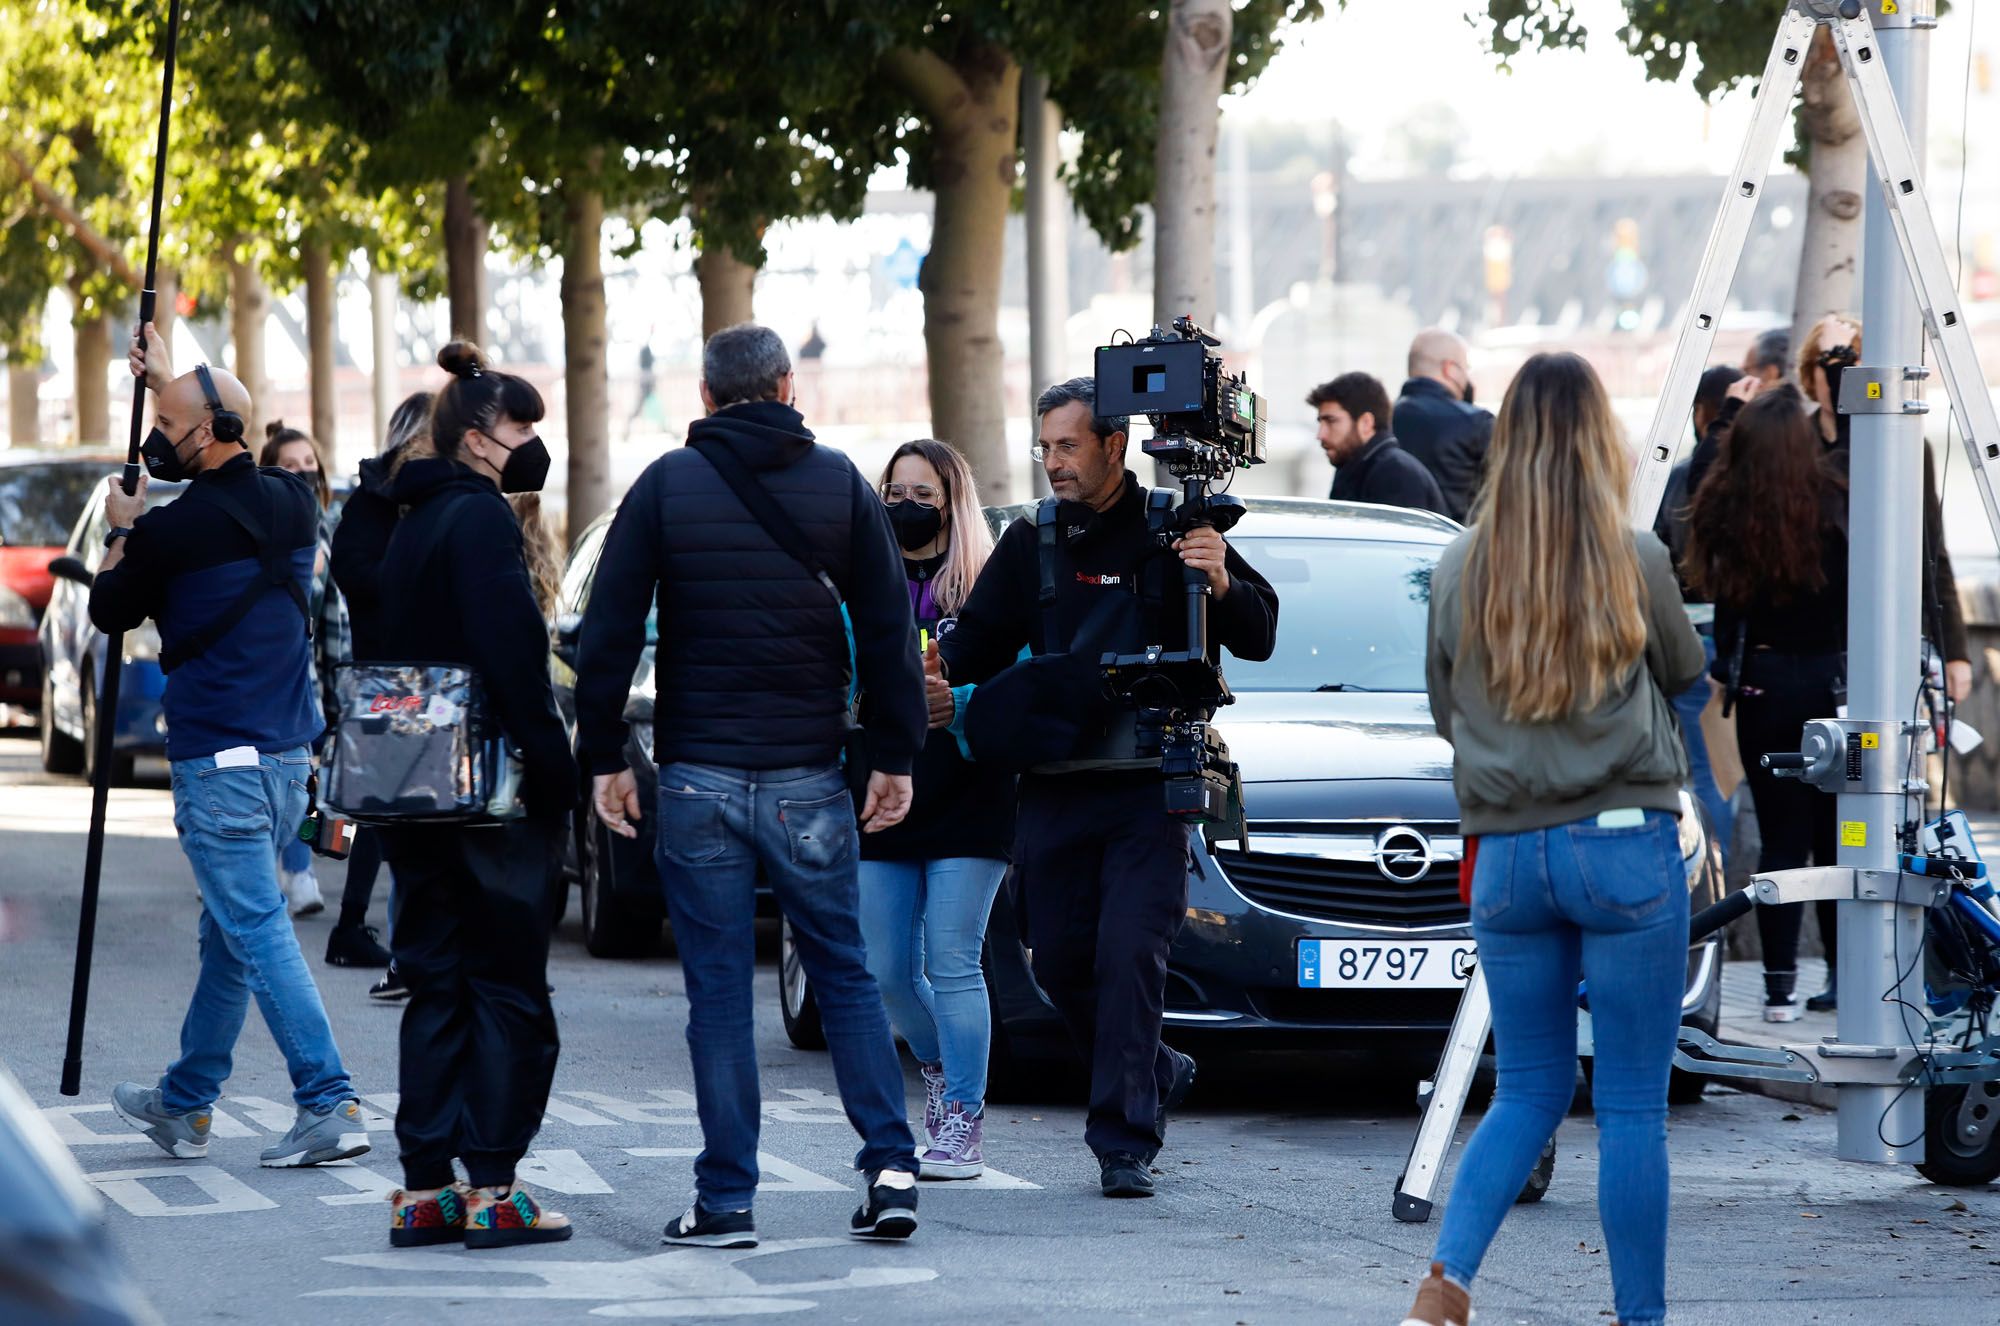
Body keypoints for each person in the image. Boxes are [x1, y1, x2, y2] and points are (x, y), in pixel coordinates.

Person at [577, 322, 928, 1248]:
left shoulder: (664, 485)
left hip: (696, 780)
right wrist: (895, 755)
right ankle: (891, 1168)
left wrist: (605, 754)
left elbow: (606, 629)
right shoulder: (842, 483)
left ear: (704, 397)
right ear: (785, 386)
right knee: (846, 974)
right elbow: (890, 630)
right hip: (809, 778)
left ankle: (727, 1199)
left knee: (720, 993)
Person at [1404, 351, 1704, 1326]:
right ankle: (1639, 1320)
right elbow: (1686, 670)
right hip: (1620, 841)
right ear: (1593, 440)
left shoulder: (1456, 565)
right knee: (1627, 1108)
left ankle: (1440, 1289)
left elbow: (1447, 713)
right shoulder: (1631, 556)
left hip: (1506, 855)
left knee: (1524, 1090)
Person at [937, 377, 1279, 1198]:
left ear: (1115, 446)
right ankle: (1154, 1066)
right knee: (1058, 958)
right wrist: (925, 672)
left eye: (1068, 446)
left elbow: (1261, 633)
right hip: (1055, 782)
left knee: (1131, 954)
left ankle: (1123, 1142)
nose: (1053, 463)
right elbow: (974, 646)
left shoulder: (1179, 527)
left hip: (1147, 785)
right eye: (1045, 447)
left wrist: (1222, 579)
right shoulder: (1034, 541)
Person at [96, 321, 370, 1171]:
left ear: (209, 433)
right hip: (290, 763)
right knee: (231, 936)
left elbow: (111, 609)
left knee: (256, 931)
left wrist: (120, 528)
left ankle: (327, 1101)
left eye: (171, 429)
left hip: (219, 767)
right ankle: (186, 1103)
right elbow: (222, 450)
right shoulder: (295, 503)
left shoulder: (169, 533)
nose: (159, 443)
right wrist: (178, 384)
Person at [370, 341, 578, 1248]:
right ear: (473, 439)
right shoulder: (482, 523)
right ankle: (495, 1187)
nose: (531, 443)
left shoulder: (402, 519)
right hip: (491, 790)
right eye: (517, 427)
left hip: (409, 783)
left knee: (437, 981)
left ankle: (425, 1191)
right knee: (508, 990)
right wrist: (557, 768)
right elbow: (512, 660)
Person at [1795, 312, 1972, 1010]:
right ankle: (1842, 970)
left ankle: (1905, 966)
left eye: (1860, 354)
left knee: (1893, 811)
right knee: (1823, 820)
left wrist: (1953, 645)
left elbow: (1932, 547)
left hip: (1890, 647)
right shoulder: (1796, 447)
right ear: (1813, 371)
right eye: (1836, 356)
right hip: (1815, 646)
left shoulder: (1902, 440)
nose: (1847, 368)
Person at [856, 439, 1013, 1180]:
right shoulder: (865, 581)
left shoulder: (990, 584)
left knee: (952, 960)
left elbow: (1023, 686)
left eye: (924, 493)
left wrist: (965, 703)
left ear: (954, 502)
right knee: (887, 968)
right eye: (895, 490)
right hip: (883, 785)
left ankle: (963, 1121)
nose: (906, 506)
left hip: (970, 788)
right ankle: (942, 1071)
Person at [1684, 389, 1846, 1023]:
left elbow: (1698, 489)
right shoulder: (1834, 504)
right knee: (1841, 839)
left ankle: (1777, 989)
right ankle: (1840, 975)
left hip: (1761, 686)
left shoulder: (1726, 510)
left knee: (1780, 837)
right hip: (1834, 688)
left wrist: (1724, 417)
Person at [328, 390, 434, 997]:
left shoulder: (448, 496)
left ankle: (385, 941)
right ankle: (358, 928)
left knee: (397, 817)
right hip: (385, 683)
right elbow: (353, 575)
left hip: (432, 684)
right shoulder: (372, 501)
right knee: (373, 812)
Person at [1652, 364, 1757, 868]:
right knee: (1721, 773)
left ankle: (1705, 877)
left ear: (1700, 416)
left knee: (1697, 768)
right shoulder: (1752, 486)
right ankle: (1721, 879)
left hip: (1683, 634)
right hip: (1735, 638)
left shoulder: (1674, 484)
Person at [257, 422, 348, 923]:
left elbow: (338, 621)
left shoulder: (328, 529)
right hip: (258, 681)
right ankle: (278, 872)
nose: (303, 475)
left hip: (308, 684)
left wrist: (340, 693)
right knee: (276, 787)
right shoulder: (258, 531)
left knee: (303, 788)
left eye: (309, 466)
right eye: (290, 466)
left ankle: (300, 872)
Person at [1309, 371, 1450, 517]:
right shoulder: (1354, 467)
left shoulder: (1395, 473)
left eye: (1331, 421)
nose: (1320, 435)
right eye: (1321, 423)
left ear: (1366, 423)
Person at [1393, 327, 1495, 522]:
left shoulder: (1380, 420)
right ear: (1450, 369)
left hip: (1394, 544)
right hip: (1455, 544)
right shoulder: (1477, 423)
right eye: (1466, 368)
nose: (1467, 377)